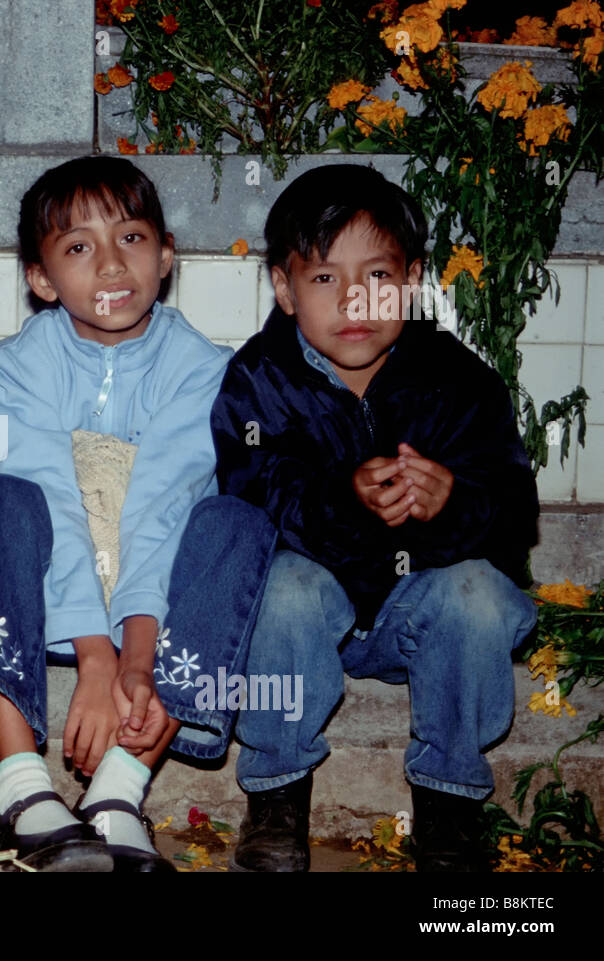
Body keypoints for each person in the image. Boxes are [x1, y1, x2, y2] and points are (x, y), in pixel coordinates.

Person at [0, 156, 274, 872]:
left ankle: (118, 791)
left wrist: (134, 659)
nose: (111, 266)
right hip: (45, 596)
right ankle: (23, 791)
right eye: (79, 247)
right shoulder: (18, 363)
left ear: (166, 254)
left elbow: (164, 505)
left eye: (132, 239)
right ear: (42, 279)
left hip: (156, 603)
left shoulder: (202, 366)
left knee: (236, 521)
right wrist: (94, 656)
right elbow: (46, 488)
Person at [212, 164, 539, 872]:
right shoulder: (256, 381)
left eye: (378, 277)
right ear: (283, 286)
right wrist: (342, 497)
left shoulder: (458, 379)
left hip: (413, 613)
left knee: (478, 592)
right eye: (325, 278)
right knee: (280, 582)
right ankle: (277, 797)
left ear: (413, 280)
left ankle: (449, 808)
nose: (353, 300)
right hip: (305, 617)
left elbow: (514, 514)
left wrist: (454, 499)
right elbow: (250, 502)